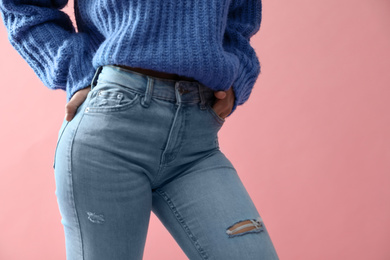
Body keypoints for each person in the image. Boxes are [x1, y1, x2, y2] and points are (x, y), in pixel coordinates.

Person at [0, 0, 279, 259]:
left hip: (197, 137)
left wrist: (237, 73)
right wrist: (77, 68)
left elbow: (240, 18)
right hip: (111, 132)